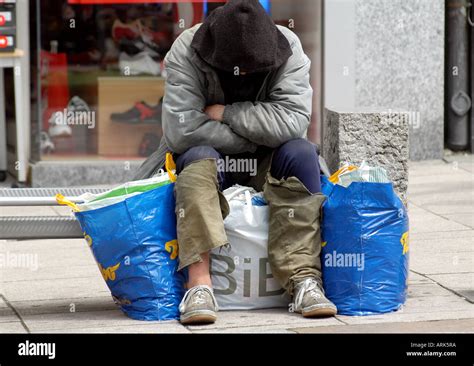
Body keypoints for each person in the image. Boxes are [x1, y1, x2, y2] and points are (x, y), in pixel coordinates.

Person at [135, 0, 337, 324]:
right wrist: (258, 133)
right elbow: (182, 131)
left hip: (266, 162)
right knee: (198, 156)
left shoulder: (290, 48)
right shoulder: (186, 49)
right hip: (210, 159)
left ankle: (304, 280)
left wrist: (226, 112)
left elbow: (293, 123)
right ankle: (199, 286)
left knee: (300, 152)